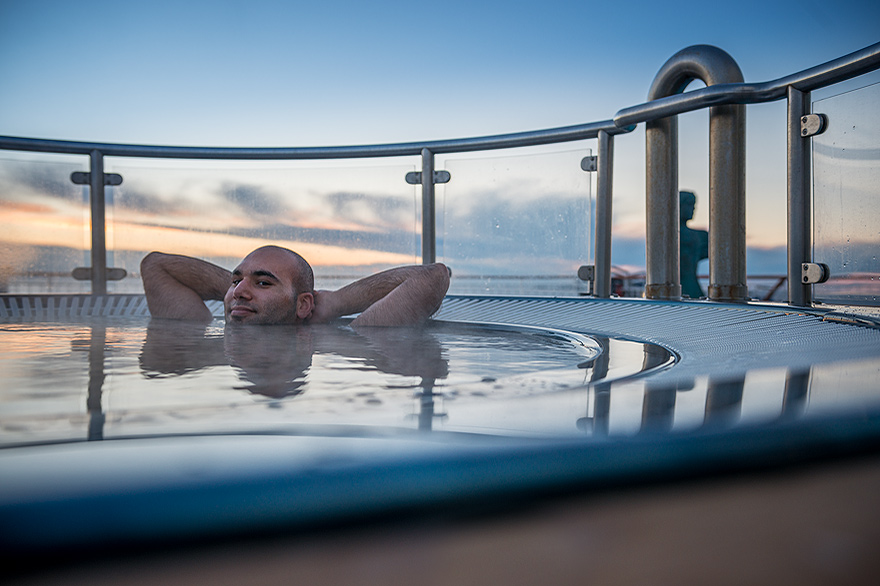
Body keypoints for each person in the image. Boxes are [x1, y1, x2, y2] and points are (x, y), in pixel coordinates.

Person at [140, 246, 450, 326]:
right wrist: (242, 290)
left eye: (264, 282)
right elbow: (155, 265)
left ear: (303, 305)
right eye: (236, 281)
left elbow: (431, 277)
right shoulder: (201, 337)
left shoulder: (328, 345)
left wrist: (336, 302)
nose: (238, 291)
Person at [679, 190, 709, 299]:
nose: (693, 209)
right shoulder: (699, 236)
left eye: (693, 205)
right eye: (689, 204)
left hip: (691, 287)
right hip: (688, 288)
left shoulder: (700, 236)